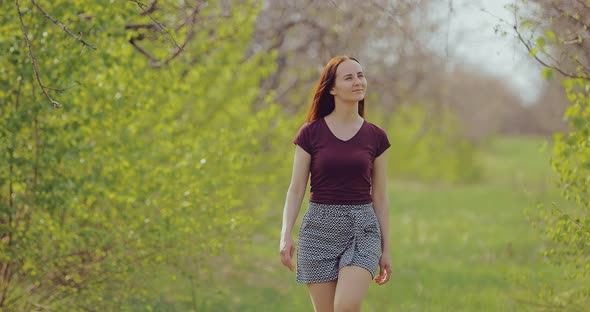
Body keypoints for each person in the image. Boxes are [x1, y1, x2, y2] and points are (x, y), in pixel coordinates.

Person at [279, 55, 392, 312]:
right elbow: (296, 190)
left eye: (360, 75)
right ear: (332, 88)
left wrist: (386, 250)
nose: (358, 82)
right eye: (349, 77)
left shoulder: (376, 137)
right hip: (318, 231)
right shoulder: (310, 133)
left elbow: (381, 197)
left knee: (346, 306)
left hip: (362, 229)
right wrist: (285, 234)